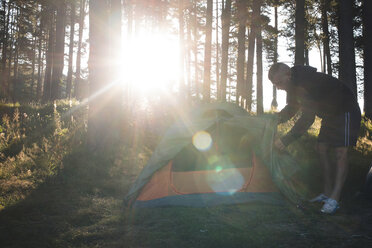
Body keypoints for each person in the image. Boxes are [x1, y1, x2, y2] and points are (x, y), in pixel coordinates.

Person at [268, 63, 361, 214]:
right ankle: (327, 192)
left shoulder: (306, 82)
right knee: (321, 149)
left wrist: (285, 140)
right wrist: (273, 120)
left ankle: (335, 199)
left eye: (279, 83)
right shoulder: (292, 86)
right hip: (330, 115)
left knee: (340, 153)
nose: (278, 87)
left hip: (346, 110)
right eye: (275, 84)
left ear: (288, 75)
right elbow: (292, 108)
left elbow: (308, 118)